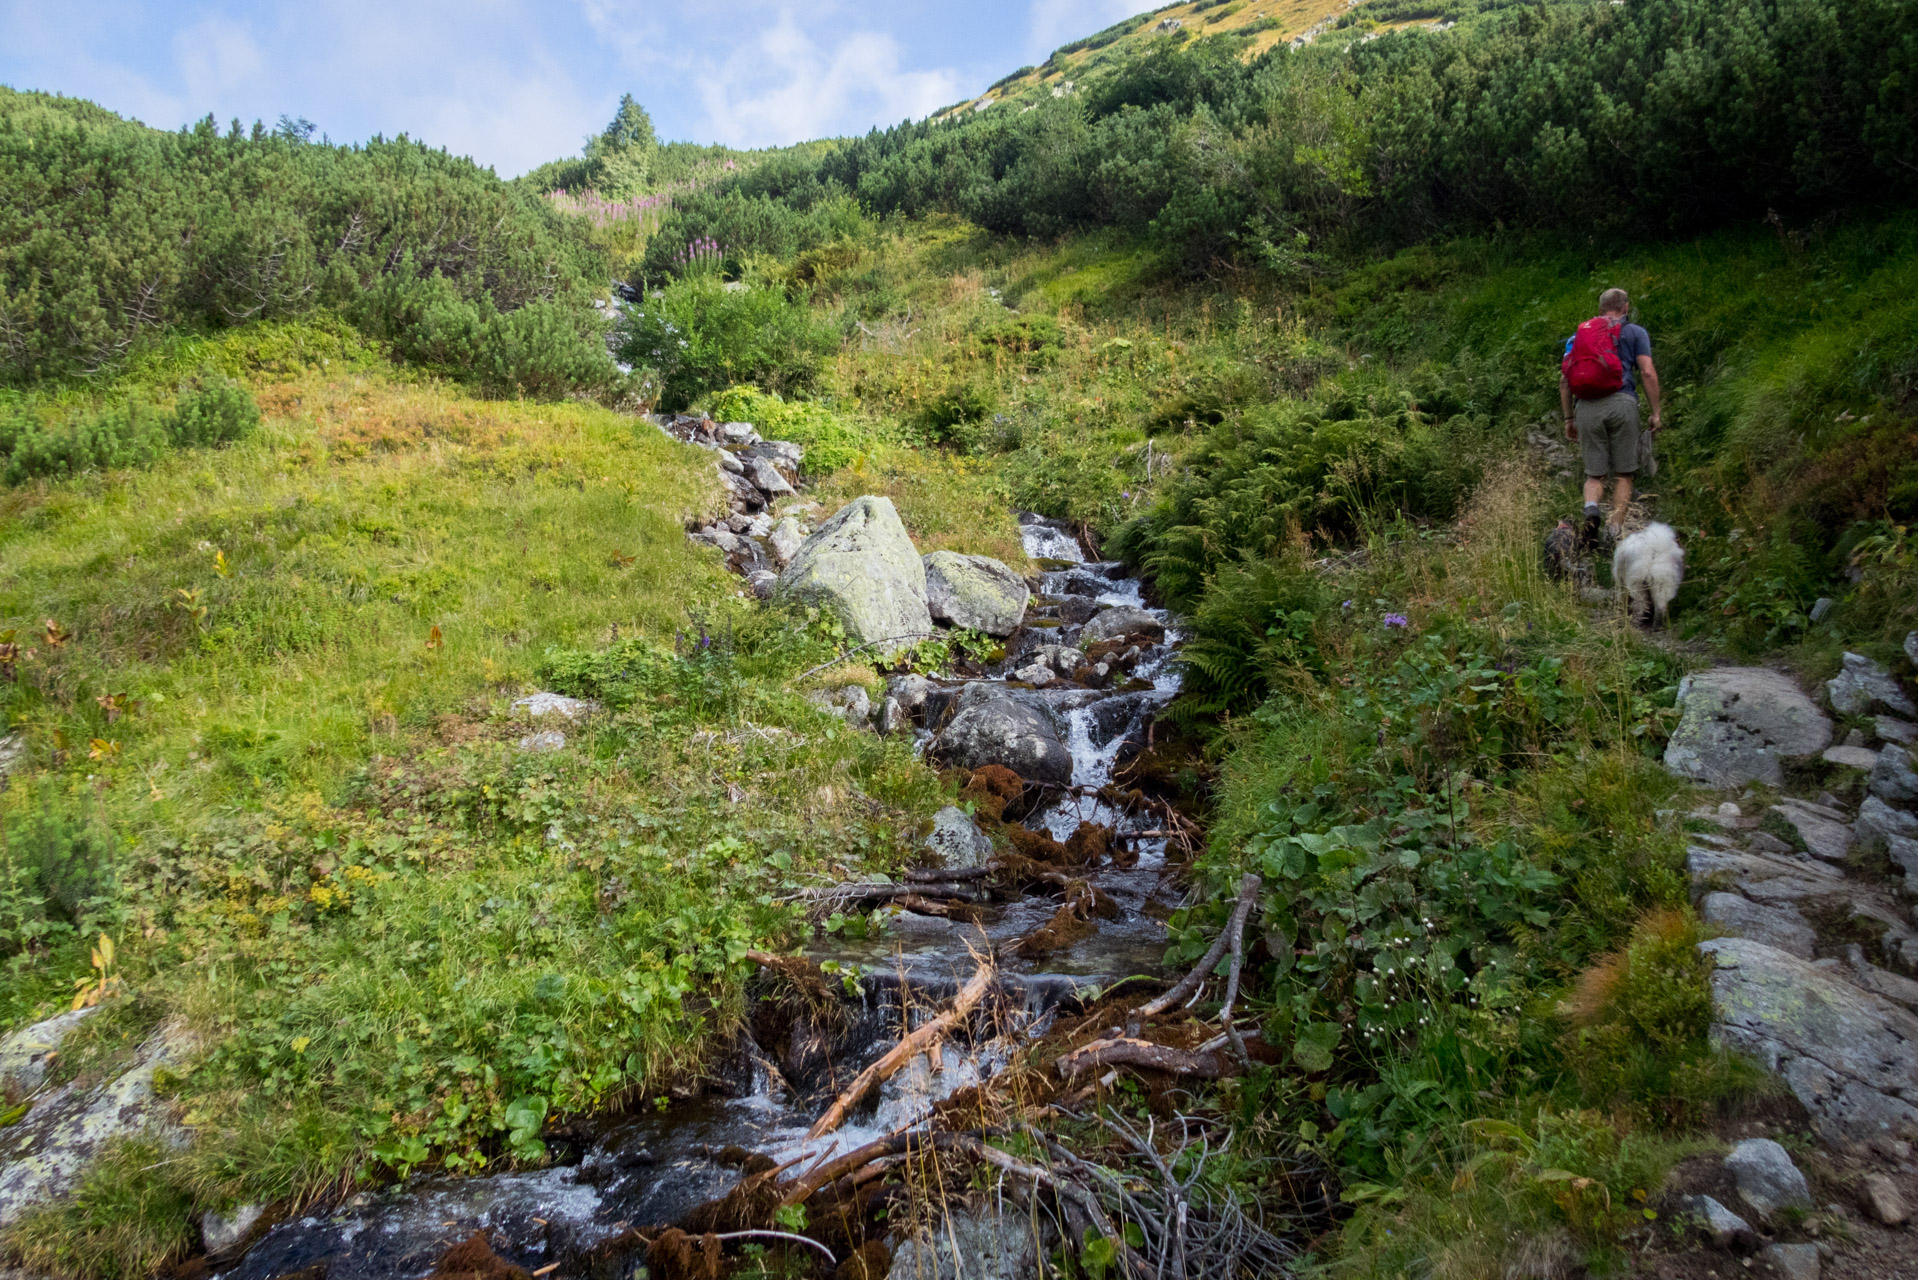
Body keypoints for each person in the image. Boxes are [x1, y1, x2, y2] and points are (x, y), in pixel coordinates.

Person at [1561, 288, 1662, 547]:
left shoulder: (1578, 337)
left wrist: (1569, 419)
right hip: (1622, 403)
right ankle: (1613, 530)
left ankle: (1592, 509)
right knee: (1624, 473)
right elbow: (1648, 372)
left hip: (1586, 408)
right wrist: (1655, 413)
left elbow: (1564, 381)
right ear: (1625, 307)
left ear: (1600, 310)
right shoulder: (1635, 333)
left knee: (1594, 475)